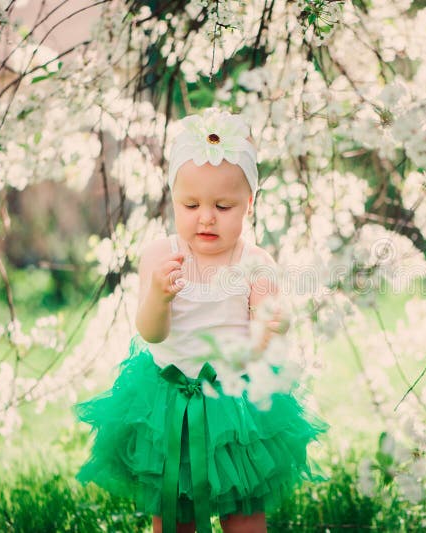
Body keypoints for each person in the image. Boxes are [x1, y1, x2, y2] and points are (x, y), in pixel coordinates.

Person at [74, 108, 327, 533]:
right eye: (190, 204)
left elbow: (259, 343)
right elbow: (151, 332)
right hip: (169, 403)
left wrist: (270, 328)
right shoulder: (162, 256)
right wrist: (158, 295)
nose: (205, 216)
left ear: (249, 204)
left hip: (235, 409)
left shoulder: (256, 263)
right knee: (174, 513)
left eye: (222, 206)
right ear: (173, 200)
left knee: (244, 511)